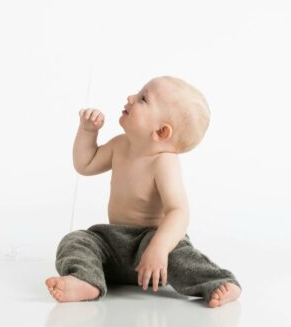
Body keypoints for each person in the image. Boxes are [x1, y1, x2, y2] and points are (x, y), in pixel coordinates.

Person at [45, 76, 241, 307]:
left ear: (161, 131)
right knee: (77, 240)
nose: (130, 98)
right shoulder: (120, 145)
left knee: (180, 256)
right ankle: (87, 280)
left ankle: (218, 281)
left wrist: (159, 248)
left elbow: (178, 211)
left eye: (143, 99)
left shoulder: (164, 163)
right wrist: (88, 131)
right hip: (114, 243)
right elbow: (85, 165)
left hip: (153, 244)